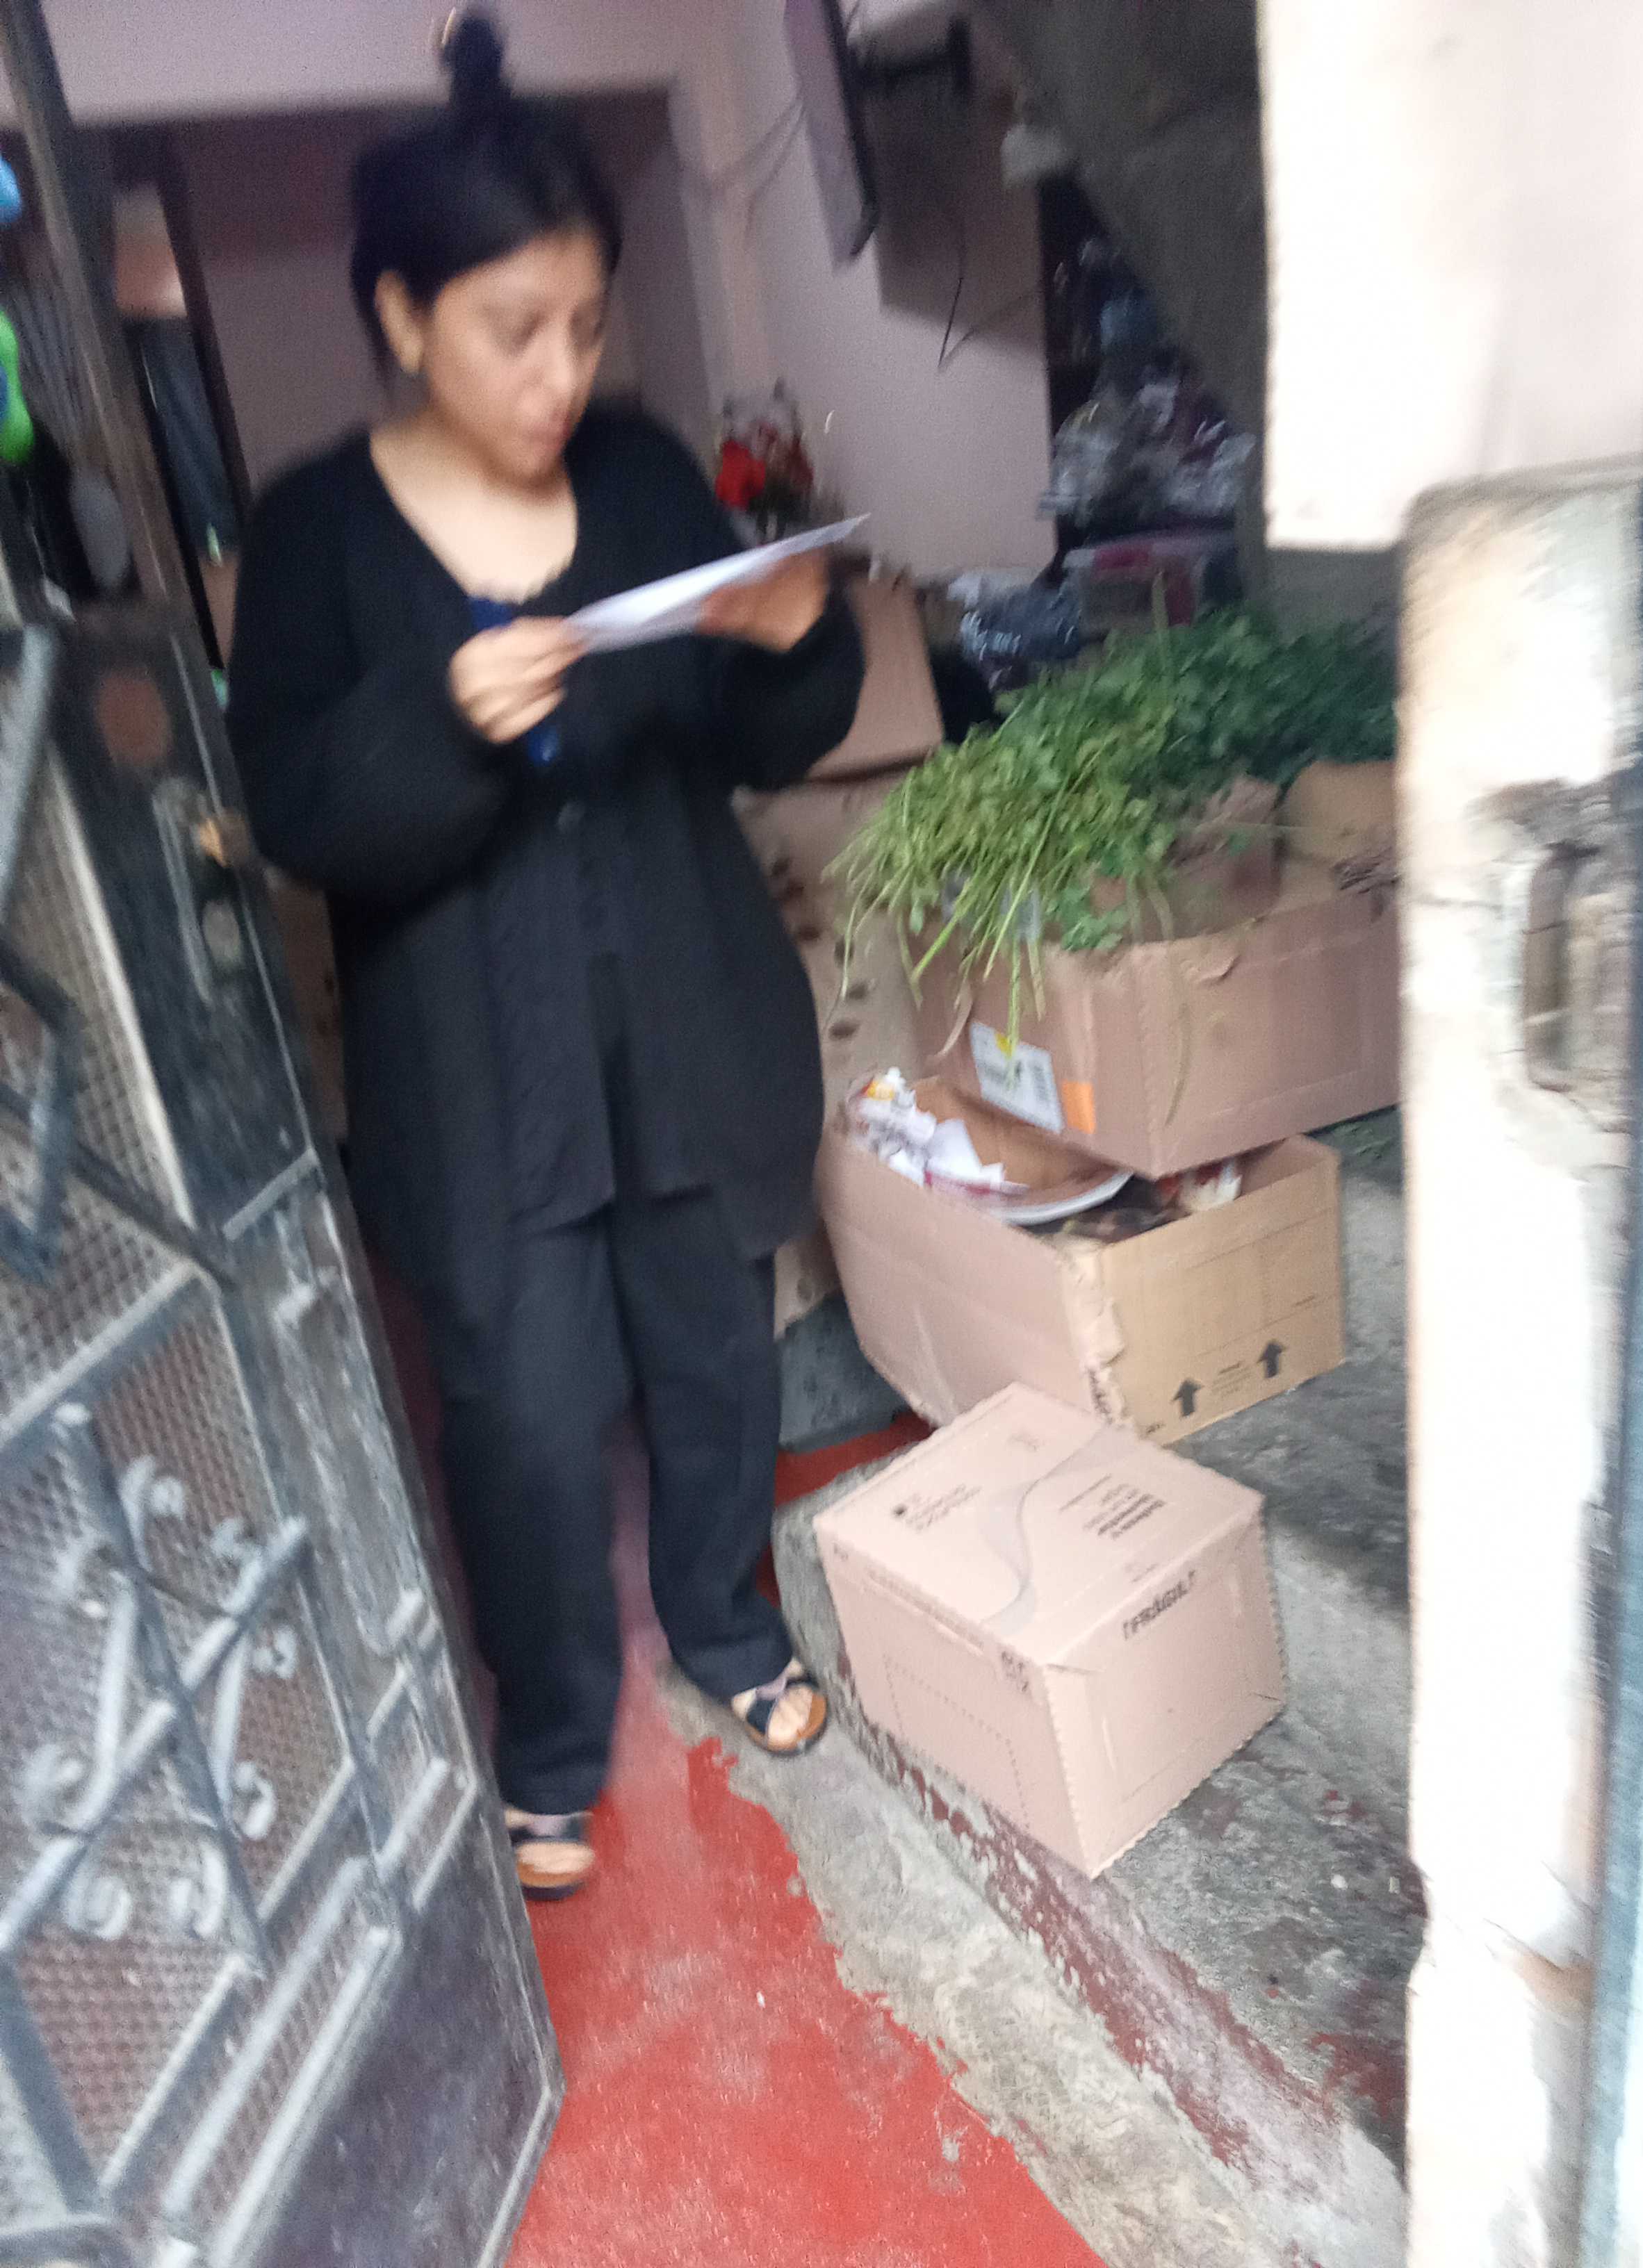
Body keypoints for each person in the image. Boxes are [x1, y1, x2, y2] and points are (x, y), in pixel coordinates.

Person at [227, 13, 865, 1902]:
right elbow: (294, 807)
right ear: (403, 315)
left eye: (587, 325)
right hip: (476, 1074)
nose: (562, 372)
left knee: (715, 1356)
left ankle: (730, 1627)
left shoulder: (646, 471)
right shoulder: (316, 531)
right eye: (516, 329)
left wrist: (793, 638)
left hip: (680, 1019)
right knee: (514, 1412)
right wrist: (439, 718)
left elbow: (756, 738)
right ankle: (554, 1738)